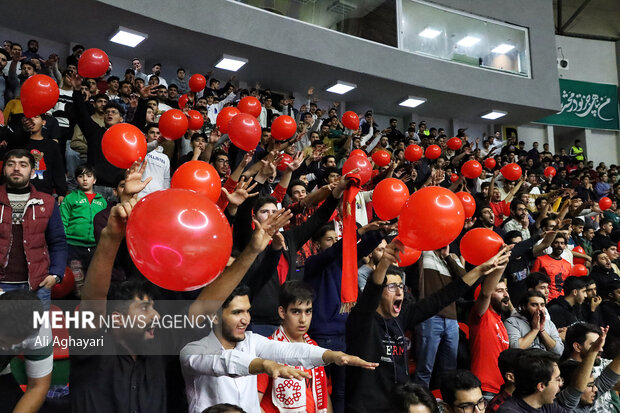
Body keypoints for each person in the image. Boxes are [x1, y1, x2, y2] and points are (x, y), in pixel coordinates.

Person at [345, 240, 510, 412]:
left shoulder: (401, 317)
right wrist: (384, 264)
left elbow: (443, 297)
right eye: (392, 287)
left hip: (399, 407)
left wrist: (480, 270)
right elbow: (370, 294)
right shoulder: (362, 320)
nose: (400, 291)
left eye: (401, 286)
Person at [180, 284, 377, 413]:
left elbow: (291, 351)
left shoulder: (252, 341)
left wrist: (334, 355)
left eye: (248, 311)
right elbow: (225, 362)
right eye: (237, 312)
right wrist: (264, 364)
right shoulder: (193, 351)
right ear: (215, 316)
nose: (245, 319)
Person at [304, 222, 386, 412]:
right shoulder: (313, 264)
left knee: (341, 391)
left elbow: (359, 249)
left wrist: (379, 234)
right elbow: (335, 251)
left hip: (343, 335)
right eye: (328, 239)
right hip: (321, 337)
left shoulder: (342, 263)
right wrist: (358, 232)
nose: (334, 243)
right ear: (316, 244)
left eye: (336, 239)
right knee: (319, 390)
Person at [0, 149, 67, 306]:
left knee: (38, 331)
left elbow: (58, 242)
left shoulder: (48, 202)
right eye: (11, 164)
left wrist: (55, 274)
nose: (16, 168)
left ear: (32, 172)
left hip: (37, 285)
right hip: (2, 285)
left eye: (23, 164)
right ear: (4, 170)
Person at [257, 280, 333, 412]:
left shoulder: (314, 346)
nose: (303, 319)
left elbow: (324, 395)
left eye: (308, 311)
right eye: (296, 312)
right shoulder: (267, 349)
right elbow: (254, 402)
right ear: (282, 312)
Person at [414, 247, 466, 387]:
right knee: (425, 368)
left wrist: (447, 256)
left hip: (452, 318)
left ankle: (446, 402)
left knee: (449, 370)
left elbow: (466, 280)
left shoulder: (453, 257)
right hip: (429, 316)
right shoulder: (424, 252)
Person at [0, 290, 52, 413]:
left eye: (14, 344)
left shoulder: (40, 328)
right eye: (2, 341)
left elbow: (37, 386)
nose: (6, 347)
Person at [60, 164, 107, 296]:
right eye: (81, 176)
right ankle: (76, 307)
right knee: (76, 282)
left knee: (92, 278)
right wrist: (62, 241)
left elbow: (104, 223)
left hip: (94, 247)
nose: (85, 179)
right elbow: (63, 220)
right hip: (73, 246)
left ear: (95, 180)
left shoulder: (101, 201)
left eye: (89, 176)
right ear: (76, 180)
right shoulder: (70, 198)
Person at [469, 272, 512, 400]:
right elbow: (485, 293)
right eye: (499, 291)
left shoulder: (501, 322)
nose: (506, 295)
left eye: (506, 290)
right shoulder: (482, 315)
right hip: (484, 389)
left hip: (501, 391)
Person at [531, 234, 572, 301]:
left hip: (561, 300)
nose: (559, 245)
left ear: (565, 246)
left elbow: (568, 285)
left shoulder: (568, 264)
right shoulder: (540, 260)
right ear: (551, 244)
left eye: (562, 243)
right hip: (544, 299)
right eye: (556, 242)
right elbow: (532, 281)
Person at [137, 124, 170, 198]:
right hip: (140, 194)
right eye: (152, 132)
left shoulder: (165, 158)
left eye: (158, 133)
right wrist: (157, 142)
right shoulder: (141, 149)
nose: (155, 135)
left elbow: (166, 179)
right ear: (146, 135)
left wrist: (165, 196)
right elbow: (145, 148)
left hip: (158, 196)